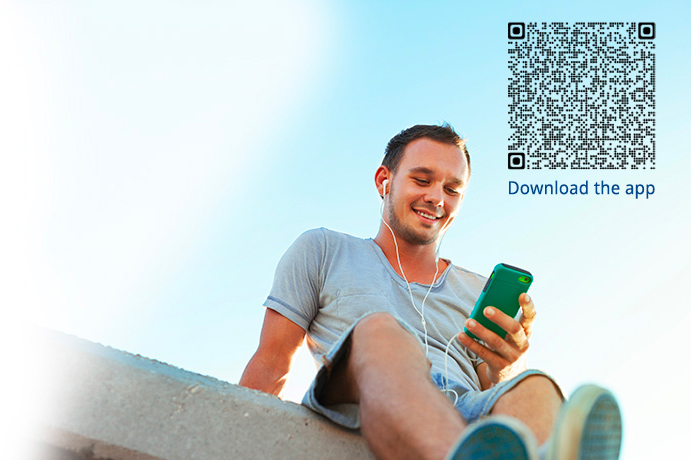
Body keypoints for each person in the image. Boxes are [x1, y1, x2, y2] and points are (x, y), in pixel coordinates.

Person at [238, 124, 622, 460]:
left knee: (533, 385)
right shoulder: (322, 250)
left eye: (452, 189)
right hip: (365, 400)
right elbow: (272, 363)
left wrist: (506, 365)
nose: (437, 198)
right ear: (383, 181)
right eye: (422, 180)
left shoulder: (477, 291)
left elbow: (492, 390)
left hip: (467, 410)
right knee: (381, 331)